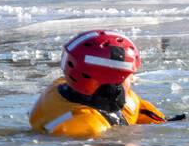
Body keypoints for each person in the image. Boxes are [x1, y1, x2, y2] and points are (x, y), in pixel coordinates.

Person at [29, 30, 172, 138]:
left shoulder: (60, 87)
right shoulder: (86, 126)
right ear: (109, 82)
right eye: (128, 76)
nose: (133, 79)